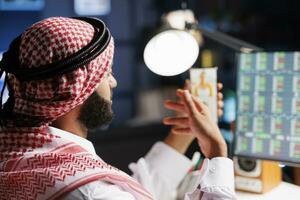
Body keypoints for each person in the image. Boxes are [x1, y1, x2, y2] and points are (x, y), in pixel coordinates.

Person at [0, 17, 236, 200]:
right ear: (77, 88)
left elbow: (133, 192)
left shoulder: (24, 159)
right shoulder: (89, 191)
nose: (113, 82)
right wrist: (217, 152)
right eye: (107, 73)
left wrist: (184, 132)